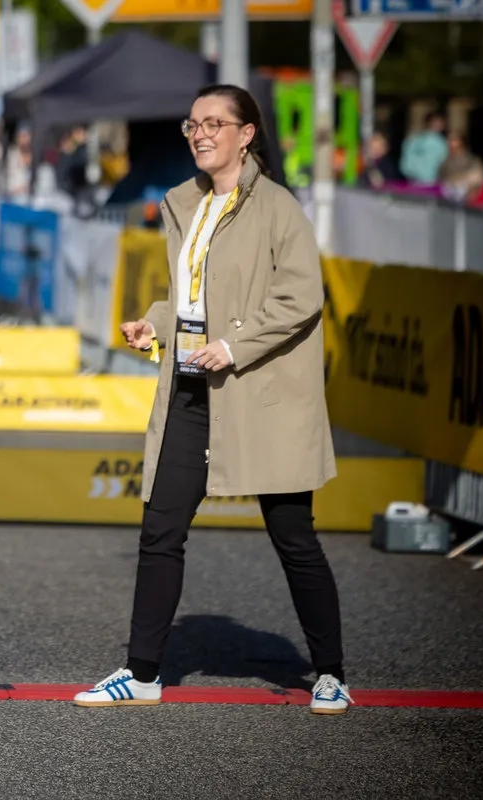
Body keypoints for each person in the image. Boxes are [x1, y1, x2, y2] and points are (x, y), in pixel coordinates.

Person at [74, 85, 350, 715]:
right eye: (192, 124)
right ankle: (142, 672)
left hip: (261, 394)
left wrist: (234, 346)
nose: (200, 134)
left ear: (246, 134)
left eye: (214, 124)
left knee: (293, 535)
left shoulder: (278, 208)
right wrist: (154, 324)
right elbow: (190, 298)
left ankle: (331, 672)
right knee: (159, 530)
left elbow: (300, 298)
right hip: (191, 389)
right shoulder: (183, 203)